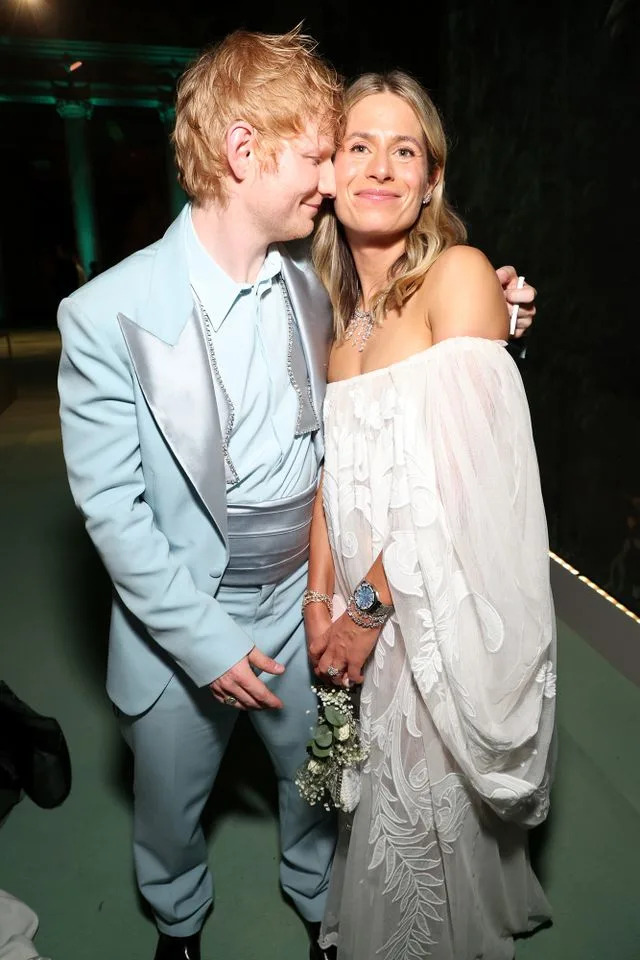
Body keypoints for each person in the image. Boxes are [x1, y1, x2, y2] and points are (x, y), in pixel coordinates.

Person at [56, 27, 537, 960]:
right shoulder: (105, 314)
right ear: (245, 151)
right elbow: (114, 513)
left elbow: (406, 374)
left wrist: (502, 306)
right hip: (184, 616)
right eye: (323, 153)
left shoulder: (312, 289)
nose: (332, 178)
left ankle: (323, 905)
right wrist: (202, 638)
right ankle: (179, 921)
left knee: (324, 782)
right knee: (168, 802)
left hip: (307, 595)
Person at [304, 72, 556, 960]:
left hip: (428, 621)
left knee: (428, 835)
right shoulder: (343, 323)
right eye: (358, 146)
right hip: (362, 627)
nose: (380, 166)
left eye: (403, 149)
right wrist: (318, 605)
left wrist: (367, 613)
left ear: (432, 178)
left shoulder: (457, 276)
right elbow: (336, 484)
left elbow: (466, 488)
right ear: (328, 172)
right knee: (380, 817)